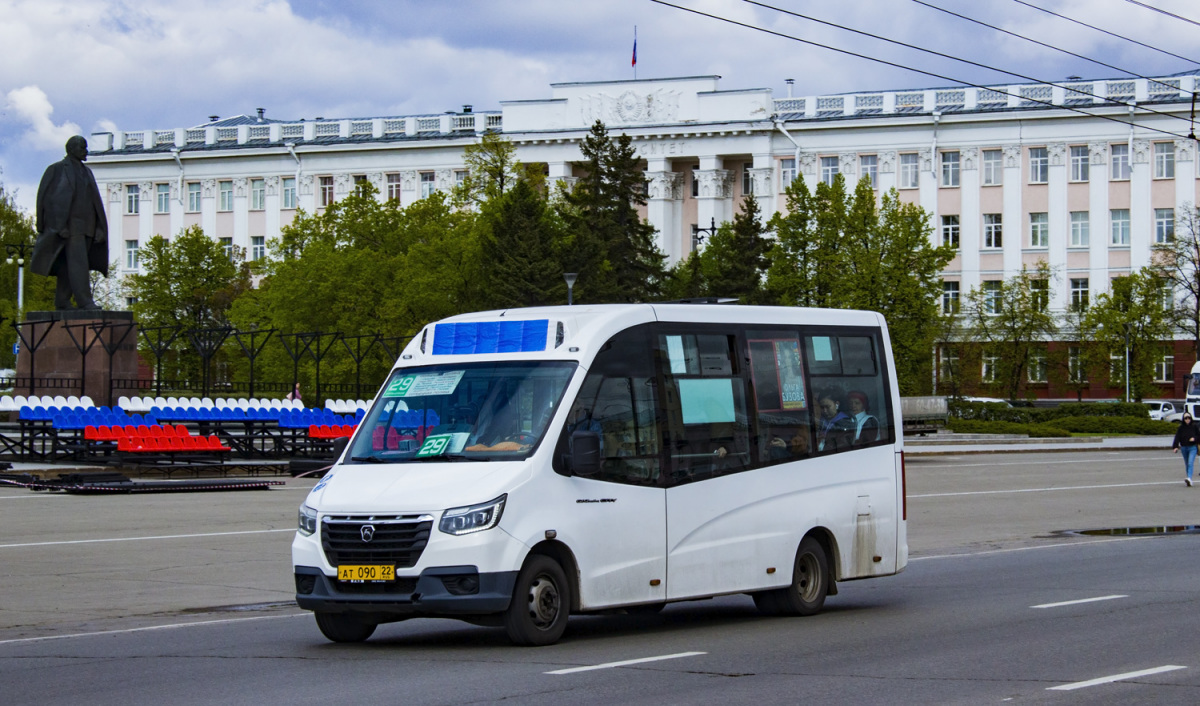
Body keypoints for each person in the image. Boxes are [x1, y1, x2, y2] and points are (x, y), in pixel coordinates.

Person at [32, 135, 109, 311]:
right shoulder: (57, 169)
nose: (86, 151)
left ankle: (62, 300)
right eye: (82, 147)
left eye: (86, 147)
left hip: (88, 226)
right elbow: (46, 199)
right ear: (71, 149)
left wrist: (98, 227)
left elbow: (94, 201)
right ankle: (85, 301)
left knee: (69, 265)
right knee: (79, 264)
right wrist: (57, 226)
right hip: (70, 227)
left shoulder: (87, 171)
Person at [1172, 413, 1200, 487]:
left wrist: (1195, 439)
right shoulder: (1181, 428)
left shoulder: (1194, 426)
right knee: (1187, 463)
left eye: (1189, 418)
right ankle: (1189, 479)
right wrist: (1175, 446)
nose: (1187, 419)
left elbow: (1199, 436)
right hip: (1184, 447)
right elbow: (1177, 437)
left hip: (1192, 447)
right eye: (1186, 418)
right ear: (1183, 419)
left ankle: (1189, 478)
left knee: (1190, 462)